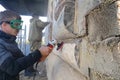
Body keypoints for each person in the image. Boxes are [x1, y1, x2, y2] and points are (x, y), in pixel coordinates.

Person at [0, 10, 53, 80]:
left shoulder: (10, 41)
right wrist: (38, 53)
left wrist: (38, 57)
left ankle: (29, 71)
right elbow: (12, 68)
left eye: (19, 25)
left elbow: (21, 57)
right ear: (4, 25)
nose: (18, 28)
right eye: (16, 24)